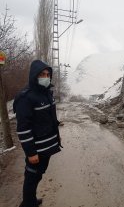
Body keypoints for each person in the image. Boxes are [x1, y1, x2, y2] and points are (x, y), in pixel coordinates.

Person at [13, 60, 61, 207]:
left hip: (47, 147)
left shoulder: (47, 93)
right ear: (34, 75)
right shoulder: (25, 98)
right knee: (32, 176)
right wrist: (31, 152)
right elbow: (23, 128)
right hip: (37, 150)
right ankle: (27, 203)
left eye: (48, 74)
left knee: (38, 174)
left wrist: (57, 136)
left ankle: (31, 200)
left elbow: (51, 119)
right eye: (42, 74)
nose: (46, 77)